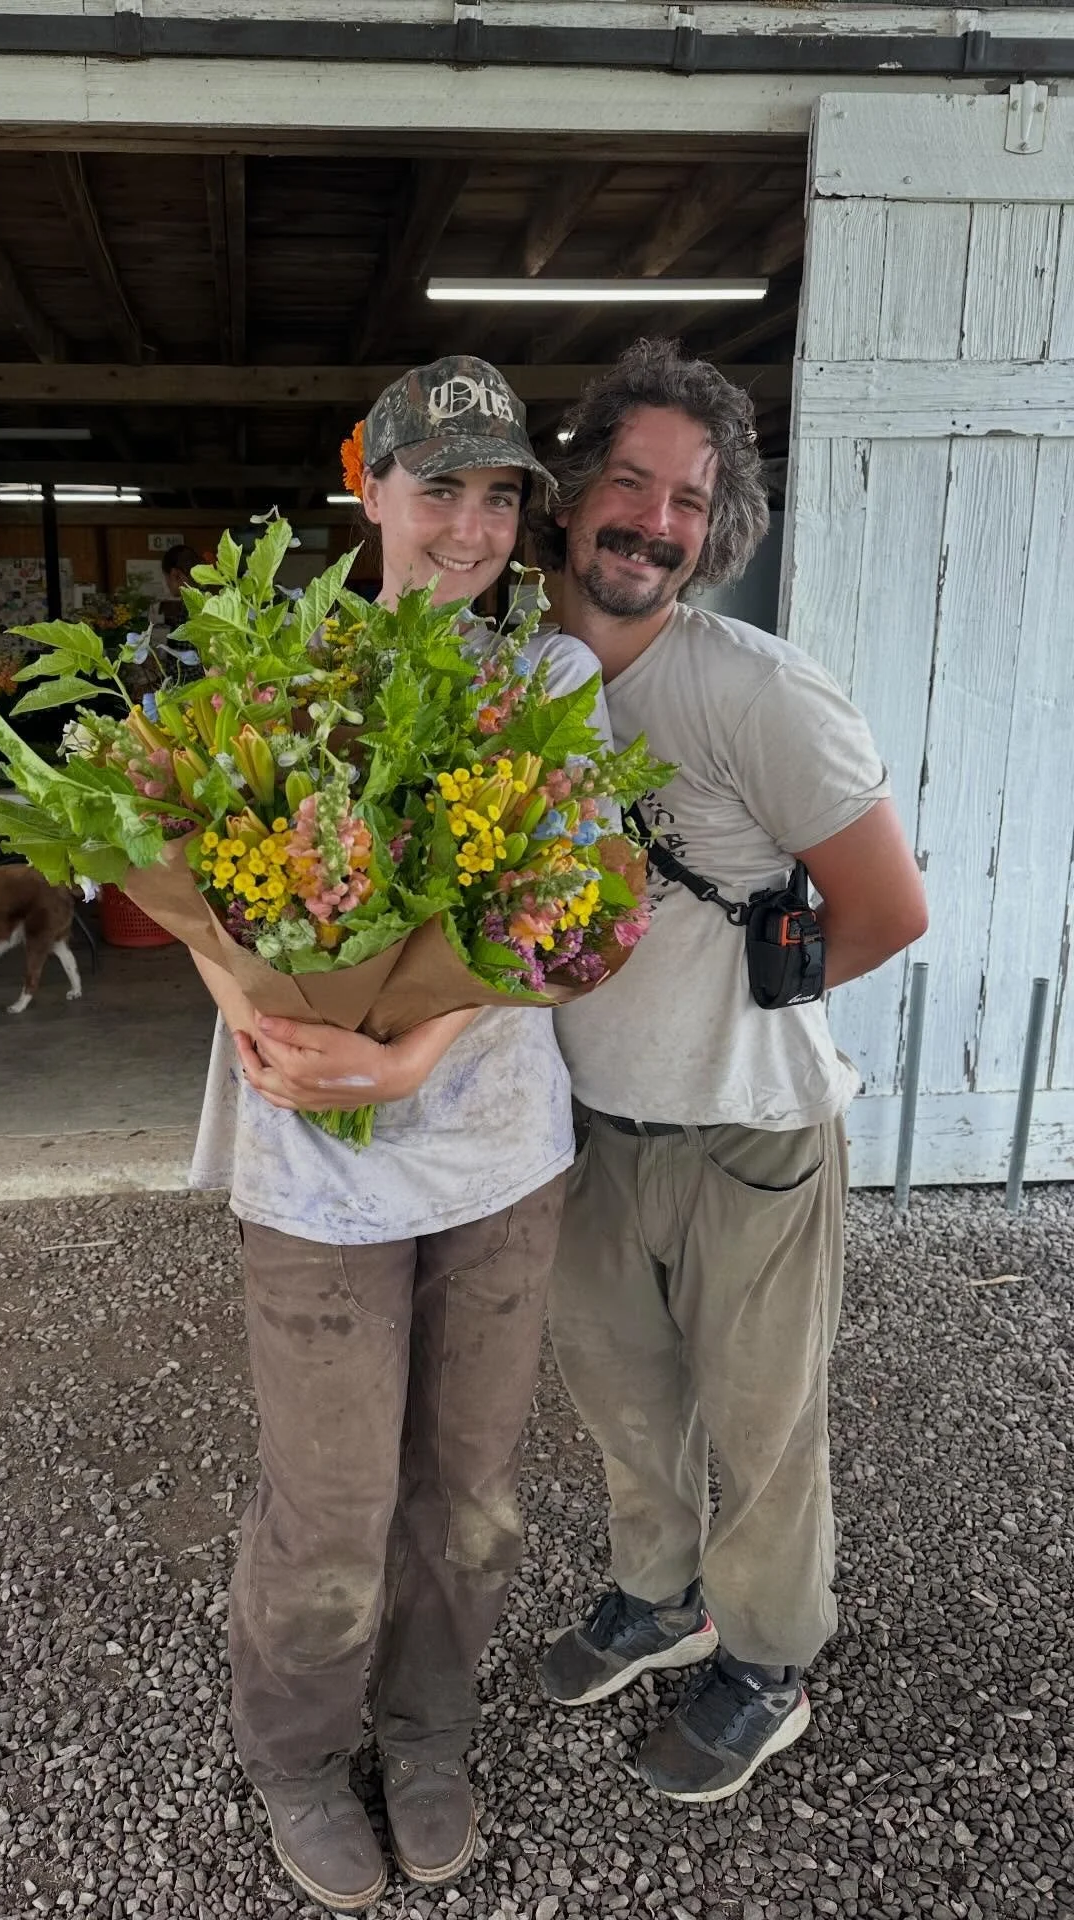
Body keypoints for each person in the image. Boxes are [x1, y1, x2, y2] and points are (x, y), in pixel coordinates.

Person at [187, 356, 602, 1911]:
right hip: (313, 1163)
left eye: (500, 497)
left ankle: (429, 1735)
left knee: (468, 1493)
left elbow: (563, 905)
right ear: (369, 488)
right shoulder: (283, 666)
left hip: (497, 1147)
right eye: (441, 489)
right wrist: (245, 995)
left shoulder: (548, 679)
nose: (473, 528)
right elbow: (198, 881)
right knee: (333, 1501)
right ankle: (298, 1754)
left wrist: (411, 1046)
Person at [526, 339, 928, 1804]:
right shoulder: (517, 679)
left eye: (690, 501)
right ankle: (660, 1597)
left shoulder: (761, 695)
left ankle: (766, 1660)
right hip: (588, 1127)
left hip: (752, 1135)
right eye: (631, 482)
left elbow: (888, 910)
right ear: (575, 490)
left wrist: (749, 1003)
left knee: (763, 1423)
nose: (654, 522)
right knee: (625, 1398)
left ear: (719, 529)